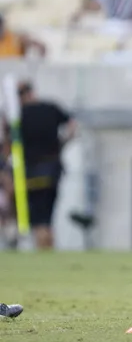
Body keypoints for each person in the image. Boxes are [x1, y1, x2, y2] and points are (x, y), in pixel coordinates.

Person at [15, 82, 76, 249]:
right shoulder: (51, 108)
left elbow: (11, 143)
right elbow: (72, 125)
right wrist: (62, 144)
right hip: (52, 168)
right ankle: (49, 247)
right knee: (49, 213)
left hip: (32, 170)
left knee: (37, 215)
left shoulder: (19, 114)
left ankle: (42, 249)